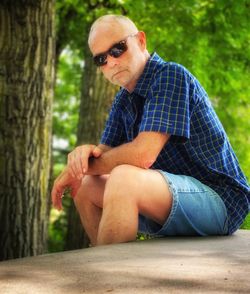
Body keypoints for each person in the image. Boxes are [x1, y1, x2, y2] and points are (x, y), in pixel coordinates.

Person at [51, 14, 250, 246]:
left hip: (220, 201)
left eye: (118, 49)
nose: (111, 62)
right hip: (168, 200)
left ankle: (110, 273)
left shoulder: (170, 76)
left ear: (141, 41)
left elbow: (143, 155)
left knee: (124, 178)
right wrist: (82, 158)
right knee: (86, 184)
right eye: (101, 59)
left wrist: (81, 167)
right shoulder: (123, 99)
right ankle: (108, 272)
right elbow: (102, 153)